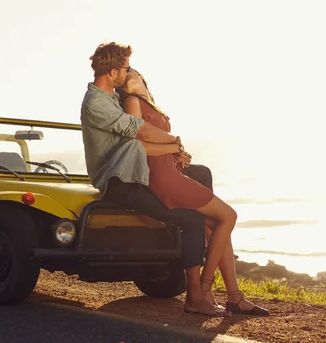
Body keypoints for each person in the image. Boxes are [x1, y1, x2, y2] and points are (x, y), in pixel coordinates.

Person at [80, 42, 226, 317]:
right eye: (126, 68)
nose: (129, 71)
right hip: (121, 181)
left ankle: (212, 262)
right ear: (113, 72)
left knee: (201, 175)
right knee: (191, 219)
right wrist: (175, 142)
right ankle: (195, 295)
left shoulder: (111, 97)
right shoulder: (96, 102)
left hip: (138, 173)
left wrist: (175, 151)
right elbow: (136, 130)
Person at [116, 67, 269, 315]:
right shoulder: (132, 102)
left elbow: (160, 143)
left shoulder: (149, 104)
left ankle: (234, 296)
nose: (126, 78)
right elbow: (138, 144)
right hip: (164, 178)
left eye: (129, 73)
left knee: (218, 225)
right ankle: (204, 289)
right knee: (228, 216)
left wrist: (178, 154)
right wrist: (173, 146)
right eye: (122, 78)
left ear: (141, 76)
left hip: (173, 172)